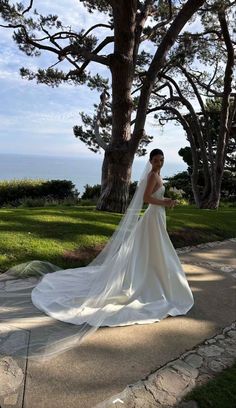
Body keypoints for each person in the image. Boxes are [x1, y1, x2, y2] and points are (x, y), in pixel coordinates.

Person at [2, 148, 194, 357]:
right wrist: (166, 201)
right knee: (153, 249)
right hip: (153, 216)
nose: (159, 163)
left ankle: (151, 276)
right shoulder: (151, 175)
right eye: (156, 160)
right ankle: (149, 280)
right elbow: (147, 198)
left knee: (153, 250)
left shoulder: (157, 174)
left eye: (161, 160)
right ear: (150, 161)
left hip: (156, 218)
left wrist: (166, 202)